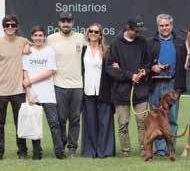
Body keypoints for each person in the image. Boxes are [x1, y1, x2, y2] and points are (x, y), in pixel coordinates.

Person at [0, 15, 30, 160]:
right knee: (0, 124)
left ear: (17, 26)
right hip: (0, 91)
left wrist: (28, 47)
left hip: (18, 90)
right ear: (3, 27)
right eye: (7, 25)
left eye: (12, 25)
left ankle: (22, 151)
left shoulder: (23, 41)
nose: (10, 27)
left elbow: (37, 45)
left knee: (20, 123)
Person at [106, 15, 150, 157]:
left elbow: (147, 63)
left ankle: (144, 151)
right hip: (121, 92)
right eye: (136, 31)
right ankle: (126, 152)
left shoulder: (142, 42)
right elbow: (110, 68)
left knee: (142, 123)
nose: (139, 33)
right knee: (123, 124)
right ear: (128, 28)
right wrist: (130, 75)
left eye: (140, 31)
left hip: (141, 91)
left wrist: (144, 71)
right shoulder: (115, 43)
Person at [22, 25, 66, 160]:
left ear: (45, 37)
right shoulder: (27, 52)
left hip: (48, 94)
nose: (38, 38)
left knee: (54, 124)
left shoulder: (49, 51)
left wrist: (31, 81)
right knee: (35, 125)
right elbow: (25, 73)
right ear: (32, 37)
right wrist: (29, 93)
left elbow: (50, 71)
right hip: (32, 95)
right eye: (35, 35)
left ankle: (59, 152)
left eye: (40, 35)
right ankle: (37, 153)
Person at [47, 12, 87, 157]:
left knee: (75, 119)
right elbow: (37, 49)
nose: (66, 24)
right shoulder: (50, 39)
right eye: (63, 21)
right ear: (59, 23)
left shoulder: (81, 38)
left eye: (68, 21)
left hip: (77, 85)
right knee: (61, 119)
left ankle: (72, 148)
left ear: (73, 23)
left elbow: (95, 47)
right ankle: (61, 144)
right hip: (59, 84)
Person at [147, 13, 187, 156]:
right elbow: (144, 64)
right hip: (155, 85)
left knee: (172, 119)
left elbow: (187, 65)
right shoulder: (150, 42)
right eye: (161, 26)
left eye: (167, 25)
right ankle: (160, 150)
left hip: (172, 84)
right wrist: (152, 68)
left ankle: (171, 148)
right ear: (158, 26)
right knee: (156, 119)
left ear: (171, 26)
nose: (164, 28)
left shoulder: (181, 43)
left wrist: (180, 88)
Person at [80, 23, 115, 158]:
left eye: (96, 32)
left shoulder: (106, 50)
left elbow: (112, 69)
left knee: (104, 122)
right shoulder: (83, 50)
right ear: (87, 33)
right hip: (87, 92)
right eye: (91, 31)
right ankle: (90, 151)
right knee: (90, 122)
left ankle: (104, 152)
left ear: (101, 35)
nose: (93, 34)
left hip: (104, 92)